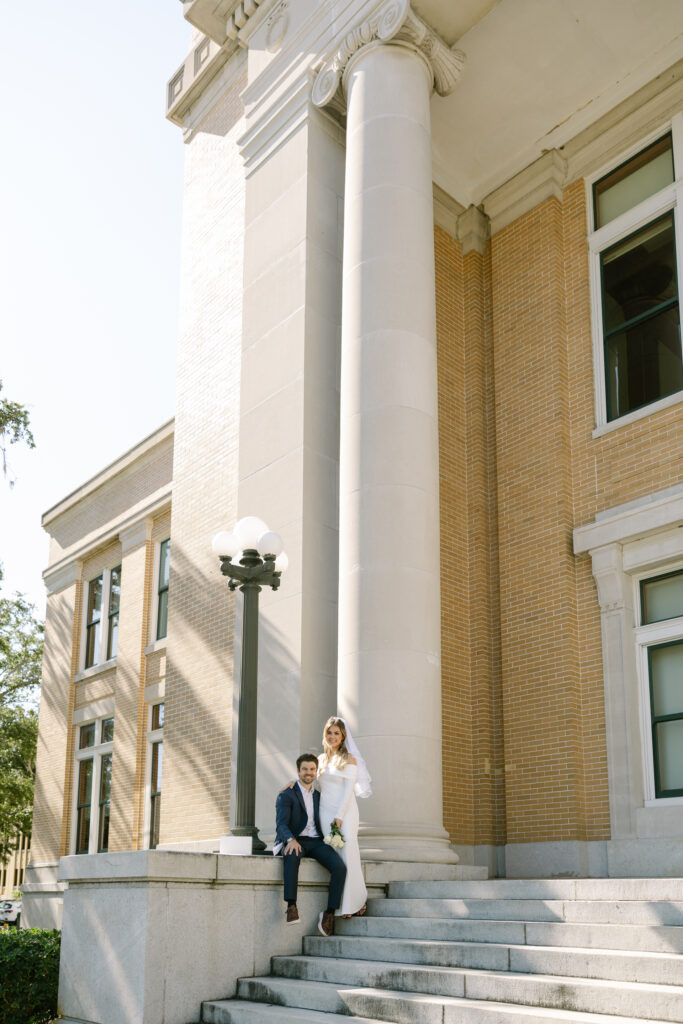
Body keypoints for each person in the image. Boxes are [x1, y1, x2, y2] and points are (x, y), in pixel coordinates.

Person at [274, 752, 347, 937]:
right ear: (298, 771)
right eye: (305, 769)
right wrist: (290, 839)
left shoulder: (319, 796)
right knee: (291, 853)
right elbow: (281, 823)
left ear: (316, 771)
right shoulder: (287, 794)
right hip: (296, 839)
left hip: (316, 841)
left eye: (312, 769)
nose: (308, 772)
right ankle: (291, 906)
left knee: (339, 867)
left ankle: (329, 913)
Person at [317, 716, 371, 918]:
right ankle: (342, 902)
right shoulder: (320, 760)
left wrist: (339, 816)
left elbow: (348, 791)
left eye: (336, 733)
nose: (332, 737)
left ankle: (354, 903)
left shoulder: (349, 759)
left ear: (343, 736)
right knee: (335, 857)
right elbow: (309, 782)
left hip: (345, 813)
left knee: (348, 854)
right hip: (325, 812)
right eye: (329, 733)